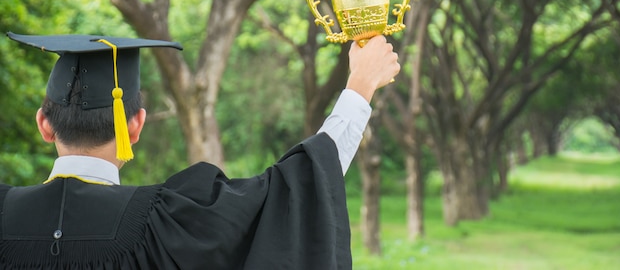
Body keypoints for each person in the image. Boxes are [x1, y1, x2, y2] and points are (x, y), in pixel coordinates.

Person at [0, 31, 400, 269]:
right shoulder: (169, 222)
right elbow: (295, 190)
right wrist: (360, 85)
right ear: (135, 125)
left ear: (43, 124)